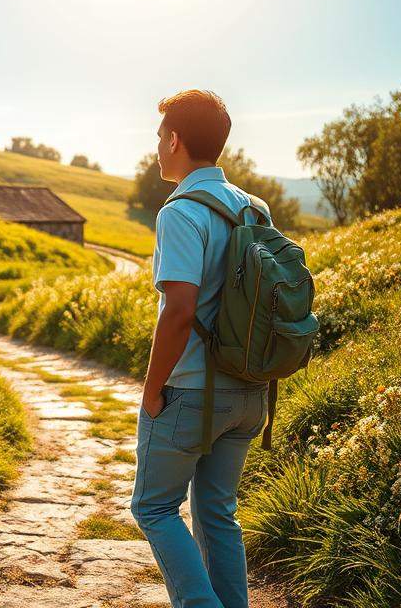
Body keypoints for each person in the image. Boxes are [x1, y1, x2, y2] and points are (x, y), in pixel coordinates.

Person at [130, 89, 270, 608]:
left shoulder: (179, 212)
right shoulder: (255, 208)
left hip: (188, 394)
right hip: (251, 391)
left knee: (154, 509)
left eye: (158, 138)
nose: (157, 150)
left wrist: (151, 391)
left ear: (174, 139)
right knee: (216, 512)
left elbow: (180, 311)